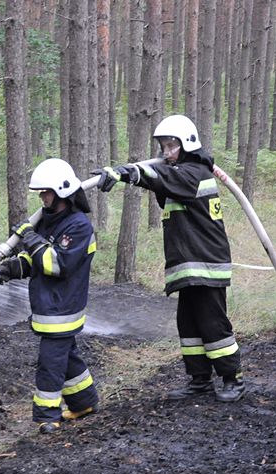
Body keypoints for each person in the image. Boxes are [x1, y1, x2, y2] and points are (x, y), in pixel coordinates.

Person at [93, 114, 244, 402]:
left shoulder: (195, 173)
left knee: (213, 325)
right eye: (162, 146)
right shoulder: (182, 174)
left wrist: (130, 174)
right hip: (189, 266)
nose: (165, 152)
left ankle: (231, 378)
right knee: (188, 325)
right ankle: (199, 381)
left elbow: (166, 179)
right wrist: (135, 174)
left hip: (206, 264)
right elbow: (164, 184)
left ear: (187, 145)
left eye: (171, 145)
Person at [0, 158, 99, 434]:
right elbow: (34, 260)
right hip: (49, 307)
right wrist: (10, 268)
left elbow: (56, 264)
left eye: (46, 192)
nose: (42, 197)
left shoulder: (78, 226)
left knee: (50, 364)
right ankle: (84, 401)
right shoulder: (48, 223)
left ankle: (47, 416)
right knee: (66, 356)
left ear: (62, 191)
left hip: (62, 308)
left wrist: (29, 236)